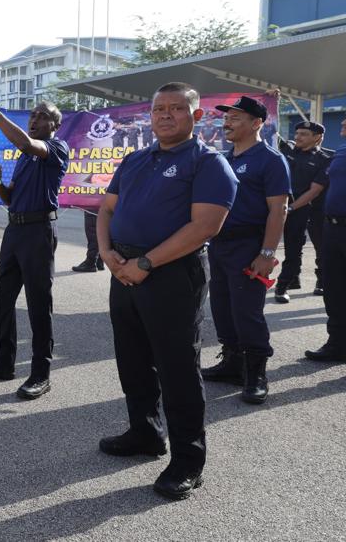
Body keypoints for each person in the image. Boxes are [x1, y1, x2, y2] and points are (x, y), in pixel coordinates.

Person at [96, 82, 238, 501]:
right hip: (123, 269)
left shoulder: (208, 163)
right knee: (133, 358)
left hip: (172, 273)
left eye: (177, 109)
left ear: (196, 116)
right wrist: (107, 254)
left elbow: (204, 227)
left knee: (177, 368)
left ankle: (187, 462)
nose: (165, 115)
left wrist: (144, 264)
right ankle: (145, 433)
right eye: (159, 109)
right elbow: (106, 209)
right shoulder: (136, 160)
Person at [0, 92, 69, 401]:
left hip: (39, 231)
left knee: (39, 304)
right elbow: (11, 199)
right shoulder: (25, 159)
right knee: (3, 298)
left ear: (55, 125)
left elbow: (26, 142)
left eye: (42, 116)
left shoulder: (55, 149)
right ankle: (3, 361)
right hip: (15, 229)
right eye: (32, 117)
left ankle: (41, 373)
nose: (35, 120)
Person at [200, 96, 289, 405]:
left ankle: (256, 373)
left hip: (249, 245)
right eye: (227, 117)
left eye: (236, 118)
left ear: (256, 123)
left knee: (246, 311)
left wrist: (267, 254)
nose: (227, 122)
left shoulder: (271, 159)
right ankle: (232, 363)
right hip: (220, 244)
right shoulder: (224, 158)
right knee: (222, 308)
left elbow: (278, 210)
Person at [274, 121, 333, 303]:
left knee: (321, 249)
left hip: (312, 210)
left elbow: (314, 191)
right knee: (292, 248)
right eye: (297, 133)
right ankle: (284, 284)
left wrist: (289, 208)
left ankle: (322, 281)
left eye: (304, 134)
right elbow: (272, 129)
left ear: (317, 138)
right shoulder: (288, 150)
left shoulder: (326, 158)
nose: (298, 137)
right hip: (290, 209)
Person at [305, 116, 346, 363]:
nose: (342, 122)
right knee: (334, 290)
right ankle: (337, 345)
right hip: (332, 228)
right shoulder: (341, 150)